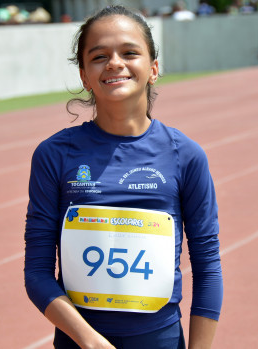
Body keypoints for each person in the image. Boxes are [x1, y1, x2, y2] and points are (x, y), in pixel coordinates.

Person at [24, 5, 223, 349]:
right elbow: (37, 274)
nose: (115, 62)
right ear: (84, 75)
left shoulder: (186, 155)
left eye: (129, 52)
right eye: (99, 56)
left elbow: (207, 267)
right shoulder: (54, 155)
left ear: (154, 69)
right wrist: (90, 341)